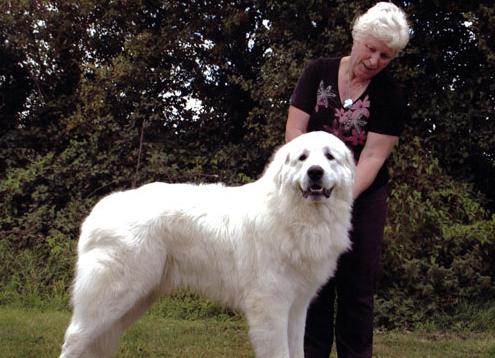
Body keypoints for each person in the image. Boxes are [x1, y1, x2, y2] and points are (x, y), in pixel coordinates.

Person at [285, 2, 411, 357]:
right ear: (357, 37)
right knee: (314, 285)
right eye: (371, 48)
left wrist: (338, 197)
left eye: (385, 55)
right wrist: (310, 180)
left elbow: (372, 157)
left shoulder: (389, 94)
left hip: (361, 196)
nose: (374, 60)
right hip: (307, 193)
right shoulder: (317, 72)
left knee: (356, 287)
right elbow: (295, 130)